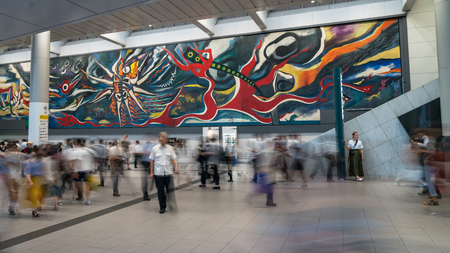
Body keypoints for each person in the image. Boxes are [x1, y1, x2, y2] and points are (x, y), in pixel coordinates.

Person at [150, 132, 178, 214]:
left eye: (162, 137)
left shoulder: (170, 148)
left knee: (170, 190)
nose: (160, 138)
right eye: (159, 137)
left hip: (168, 173)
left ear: (166, 139)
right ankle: (162, 206)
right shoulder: (155, 148)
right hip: (158, 173)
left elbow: (173, 159)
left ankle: (171, 204)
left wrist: (176, 168)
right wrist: (151, 172)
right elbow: (152, 161)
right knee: (160, 191)